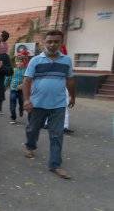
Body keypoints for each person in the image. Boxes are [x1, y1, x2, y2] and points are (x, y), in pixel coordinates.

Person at [23, 30, 75, 179]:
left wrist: (72, 96)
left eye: (56, 42)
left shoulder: (66, 61)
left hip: (58, 105)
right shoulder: (36, 61)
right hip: (37, 104)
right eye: (49, 41)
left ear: (61, 42)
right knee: (33, 129)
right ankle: (30, 146)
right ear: (45, 42)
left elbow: (70, 80)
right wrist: (27, 100)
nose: (53, 44)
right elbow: (27, 80)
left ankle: (55, 165)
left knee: (57, 135)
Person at [5, 53, 27, 124]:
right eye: (18, 61)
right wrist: (3, 86)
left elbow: (27, 79)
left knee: (22, 102)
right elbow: (7, 79)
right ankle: (13, 117)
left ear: (23, 63)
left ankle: (21, 109)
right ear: (15, 62)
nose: (19, 63)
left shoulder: (26, 70)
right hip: (13, 90)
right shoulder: (13, 70)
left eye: (21, 62)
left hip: (22, 90)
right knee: (12, 104)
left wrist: (23, 84)